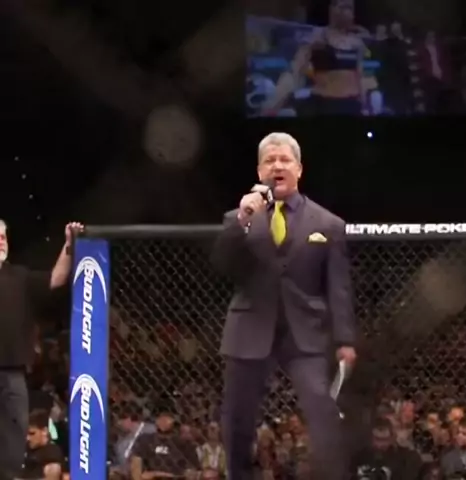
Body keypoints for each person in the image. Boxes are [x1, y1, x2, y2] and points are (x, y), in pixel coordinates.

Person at [210, 132, 358, 480]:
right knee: (238, 418)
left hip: (305, 332)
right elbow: (221, 265)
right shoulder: (239, 218)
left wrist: (345, 340)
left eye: (285, 160)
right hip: (250, 327)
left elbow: (338, 286)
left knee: (322, 411)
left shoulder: (327, 224)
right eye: (270, 160)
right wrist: (244, 218)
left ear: (299, 169)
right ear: (259, 170)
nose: (277, 165)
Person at [0, 220, 80, 478]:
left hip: (13, 372)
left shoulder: (19, 277)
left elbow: (56, 278)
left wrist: (69, 245)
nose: (2, 241)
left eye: (4, 236)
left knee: (14, 438)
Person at [262, 0, 367, 116]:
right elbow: (295, 72)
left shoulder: (357, 43)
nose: (345, 11)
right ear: (331, 9)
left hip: (352, 106)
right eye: (340, 6)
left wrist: (365, 106)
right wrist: (274, 104)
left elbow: (360, 76)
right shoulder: (318, 37)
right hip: (325, 105)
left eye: (349, 7)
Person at [129, 405, 200, 479]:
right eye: (160, 417)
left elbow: (192, 472)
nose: (163, 421)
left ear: (174, 420)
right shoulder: (145, 440)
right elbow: (136, 465)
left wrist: (157, 474)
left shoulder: (184, 443)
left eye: (168, 418)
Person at [20, 409, 63, 480]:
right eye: (27, 434)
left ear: (44, 431)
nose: (28, 438)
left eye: (32, 433)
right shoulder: (27, 449)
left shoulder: (52, 453)